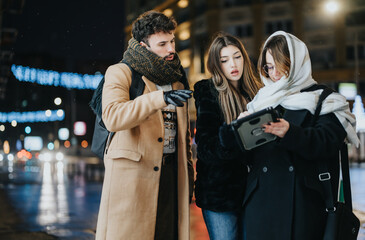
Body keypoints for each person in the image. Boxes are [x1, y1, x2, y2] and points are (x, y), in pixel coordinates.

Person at [236, 31, 360, 240]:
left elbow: (328, 141)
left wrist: (291, 133)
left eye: (279, 65)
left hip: (303, 206)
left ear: (296, 62)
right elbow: (251, 158)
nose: (273, 73)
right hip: (260, 206)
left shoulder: (325, 99)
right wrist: (240, 132)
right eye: (268, 66)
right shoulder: (261, 101)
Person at [95, 10, 194, 240]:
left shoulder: (177, 78)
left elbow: (183, 134)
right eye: (162, 44)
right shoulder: (120, 72)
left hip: (171, 174)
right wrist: (160, 99)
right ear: (143, 45)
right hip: (133, 179)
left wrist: (188, 172)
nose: (171, 49)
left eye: (172, 41)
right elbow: (113, 116)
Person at [193, 32, 262, 240]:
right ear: (216, 65)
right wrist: (234, 130)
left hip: (254, 191)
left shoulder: (258, 92)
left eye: (237, 56)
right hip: (220, 194)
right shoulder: (208, 92)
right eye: (224, 60)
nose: (233, 64)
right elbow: (205, 148)